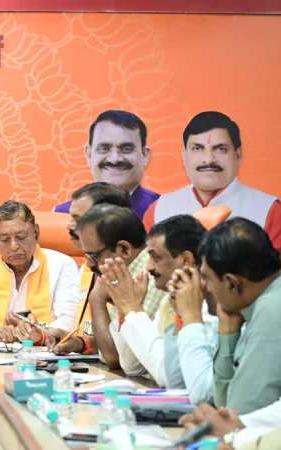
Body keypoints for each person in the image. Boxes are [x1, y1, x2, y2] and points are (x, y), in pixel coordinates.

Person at [97, 215, 216, 403]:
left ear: (186, 260)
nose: (149, 267)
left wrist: (133, 311)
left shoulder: (209, 304)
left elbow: (167, 375)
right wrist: (125, 311)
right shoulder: (169, 300)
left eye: (156, 257)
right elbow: (132, 367)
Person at [144, 111, 281, 250]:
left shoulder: (269, 210)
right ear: (184, 155)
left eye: (221, 149)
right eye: (197, 148)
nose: (208, 159)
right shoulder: (159, 210)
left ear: (238, 154)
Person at [0, 201, 80, 343]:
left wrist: (39, 333)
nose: (13, 246)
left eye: (21, 237)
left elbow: (69, 321)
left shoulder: (61, 265)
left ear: (36, 232)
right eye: (5, 239)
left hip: (43, 351)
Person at [197, 218, 281, 414]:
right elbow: (225, 405)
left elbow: (241, 412)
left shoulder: (271, 308)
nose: (204, 287)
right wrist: (228, 331)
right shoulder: (262, 299)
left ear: (232, 283)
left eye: (206, 278)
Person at [73, 204, 165, 369]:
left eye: (93, 255)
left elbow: (115, 357)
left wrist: (96, 299)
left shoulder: (150, 276)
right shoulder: (123, 272)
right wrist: (81, 343)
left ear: (124, 249)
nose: (88, 264)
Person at [50, 182, 131, 354]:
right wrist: (80, 343)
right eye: (71, 217)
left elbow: (121, 350)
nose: (69, 226)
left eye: (78, 219)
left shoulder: (129, 272)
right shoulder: (88, 267)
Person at [54, 110, 159, 219]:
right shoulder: (62, 215)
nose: (114, 159)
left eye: (126, 149)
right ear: (88, 154)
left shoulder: (162, 212)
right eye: (104, 148)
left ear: (145, 155)